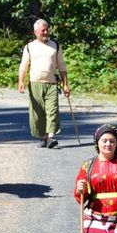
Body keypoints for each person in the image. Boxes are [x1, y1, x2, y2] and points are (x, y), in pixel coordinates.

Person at [18, 19, 70, 149]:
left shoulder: (55, 45)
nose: (46, 32)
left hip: (52, 83)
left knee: (52, 111)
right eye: (43, 30)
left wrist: (65, 84)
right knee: (38, 113)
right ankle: (43, 137)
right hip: (35, 83)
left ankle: (51, 137)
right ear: (35, 32)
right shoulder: (30, 47)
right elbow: (23, 66)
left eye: (47, 29)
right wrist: (21, 81)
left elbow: (62, 66)